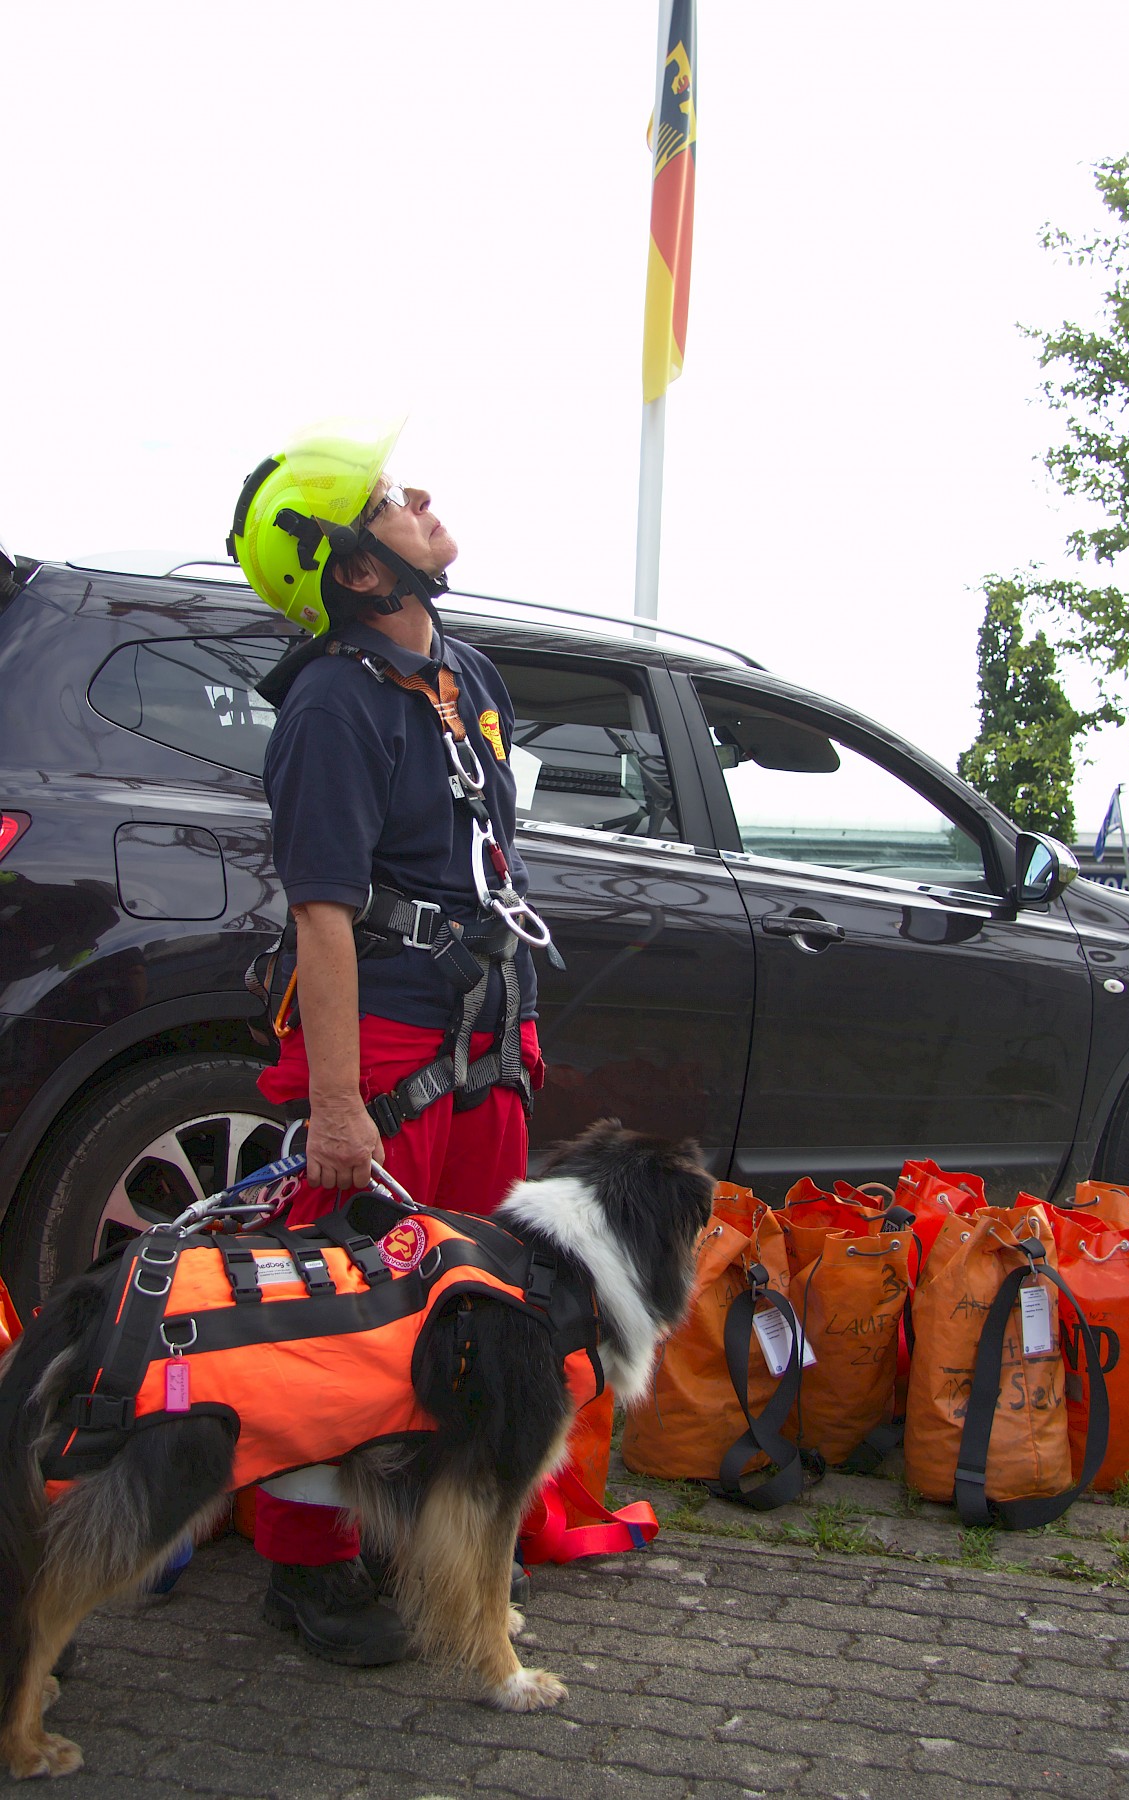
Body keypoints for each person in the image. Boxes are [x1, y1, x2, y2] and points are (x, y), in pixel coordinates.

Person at [228, 419, 552, 1665]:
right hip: (384, 1055)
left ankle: (440, 1540)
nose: (417, 497)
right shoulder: (325, 711)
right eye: (384, 499)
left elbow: (489, 858)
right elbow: (324, 913)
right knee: (340, 1313)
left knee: (476, 1306)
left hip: (485, 1037)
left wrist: (515, 1031)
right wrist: (337, 1108)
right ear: (360, 571)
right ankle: (307, 1567)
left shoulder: (469, 675)